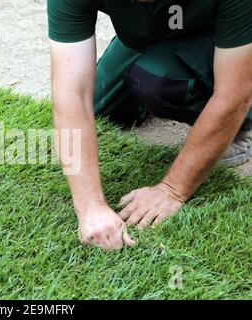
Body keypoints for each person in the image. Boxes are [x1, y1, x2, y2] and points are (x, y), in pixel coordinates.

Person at [47, 0, 252, 251]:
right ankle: (154, 68)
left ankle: (240, 125)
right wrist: (90, 207)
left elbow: (233, 96)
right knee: (100, 105)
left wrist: (172, 190)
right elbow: (71, 92)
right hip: (156, 29)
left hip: (225, 32)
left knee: (160, 81)